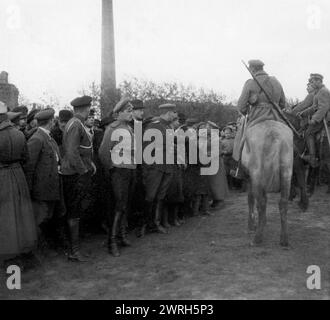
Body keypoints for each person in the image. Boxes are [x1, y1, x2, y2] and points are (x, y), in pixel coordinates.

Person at [233, 59, 286, 175]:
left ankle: (239, 170)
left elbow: (241, 106)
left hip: (257, 117)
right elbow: (283, 104)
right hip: (277, 118)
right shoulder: (276, 81)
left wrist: (247, 111)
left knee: (242, 140)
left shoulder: (250, 83)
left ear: (252, 69)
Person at [0, 101, 37, 265]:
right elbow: (26, 159)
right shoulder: (19, 134)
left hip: (2, 177)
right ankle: (26, 253)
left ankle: (10, 258)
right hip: (18, 175)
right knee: (22, 216)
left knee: (7, 216)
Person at [99, 98, 136, 257]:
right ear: (118, 113)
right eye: (128, 111)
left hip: (129, 170)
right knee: (118, 206)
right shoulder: (112, 128)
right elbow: (103, 152)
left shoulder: (129, 128)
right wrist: (112, 168)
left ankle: (121, 236)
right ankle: (111, 241)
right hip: (118, 171)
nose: (131, 113)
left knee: (125, 204)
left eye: (131, 110)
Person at [24, 108, 65, 250]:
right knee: (41, 219)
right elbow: (29, 167)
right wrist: (29, 190)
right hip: (42, 188)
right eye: (54, 120)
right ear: (51, 121)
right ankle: (35, 249)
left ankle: (45, 246)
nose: (55, 122)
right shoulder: (37, 139)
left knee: (49, 217)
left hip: (52, 185)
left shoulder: (48, 137)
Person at [61, 96, 96, 262]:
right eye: (89, 108)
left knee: (76, 211)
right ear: (86, 108)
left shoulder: (75, 123)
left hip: (76, 172)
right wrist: (83, 171)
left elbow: (82, 151)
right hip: (74, 175)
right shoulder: (76, 124)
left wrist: (90, 165)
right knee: (74, 212)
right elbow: (72, 152)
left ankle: (74, 249)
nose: (90, 110)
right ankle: (73, 250)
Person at [142, 104, 177, 235]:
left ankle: (155, 224)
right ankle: (146, 224)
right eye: (174, 113)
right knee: (150, 196)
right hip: (155, 166)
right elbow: (147, 147)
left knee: (160, 196)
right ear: (168, 113)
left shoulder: (168, 126)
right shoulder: (154, 125)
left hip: (166, 166)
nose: (175, 116)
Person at [299, 74, 330, 168]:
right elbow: (314, 107)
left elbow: (323, 108)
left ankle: (312, 158)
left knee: (308, 133)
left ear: (319, 81)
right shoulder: (318, 92)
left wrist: (314, 120)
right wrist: (303, 113)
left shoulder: (323, 92)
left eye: (312, 81)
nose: (312, 83)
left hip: (324, 118)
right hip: (322, 117)